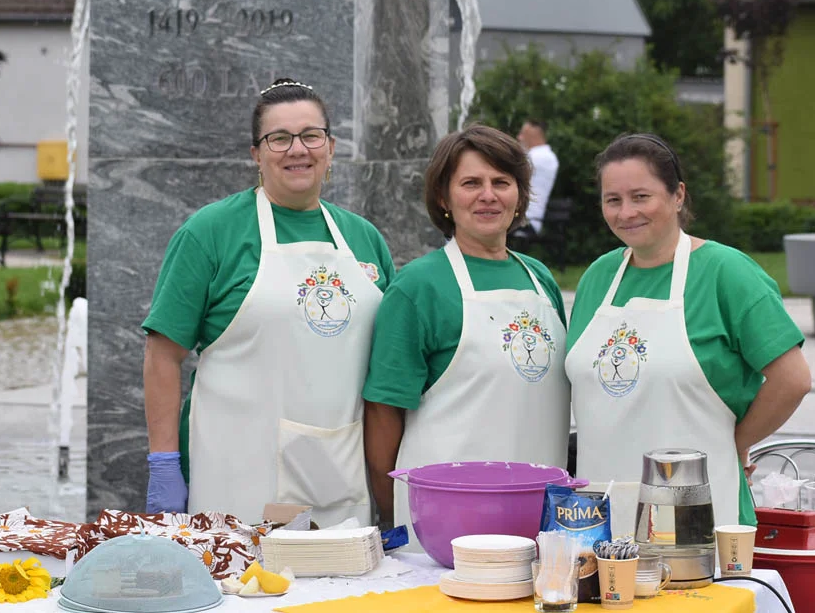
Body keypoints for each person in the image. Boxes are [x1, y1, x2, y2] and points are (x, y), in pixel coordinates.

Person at [141, 78, 395, 526]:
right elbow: (163, 353)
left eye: (310, 136)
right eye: (279, 138)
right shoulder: (210, 232)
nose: (298, 149)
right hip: (235, 469)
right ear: (256, 154)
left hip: (339, 471)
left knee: (343, 592)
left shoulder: (364, 239)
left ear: (331, 147)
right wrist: (163, 462)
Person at [565, 133, 811, 528]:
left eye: (641, 196)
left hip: (699, 514)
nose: (626, 212)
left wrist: (734, 443)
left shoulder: (727, 273)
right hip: (602, 514)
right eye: (613, 200)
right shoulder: (598, 277)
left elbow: (793, 379)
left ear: (678, 195)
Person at [362, 124, 570, 541]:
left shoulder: (541, 279)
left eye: (501, 182)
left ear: (520, 195)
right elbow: (383, 413)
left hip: (539, 512)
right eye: (471, 183)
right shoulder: (418, 287)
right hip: (443, 521)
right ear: (444, 197)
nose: (488, 195)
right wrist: (396, 512)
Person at [517, 118, 559, 234]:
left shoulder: (539, 157)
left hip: (525, 221)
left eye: (523, 134)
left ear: (534, 135)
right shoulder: (542, 156)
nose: (519, 138)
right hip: (524, 220)